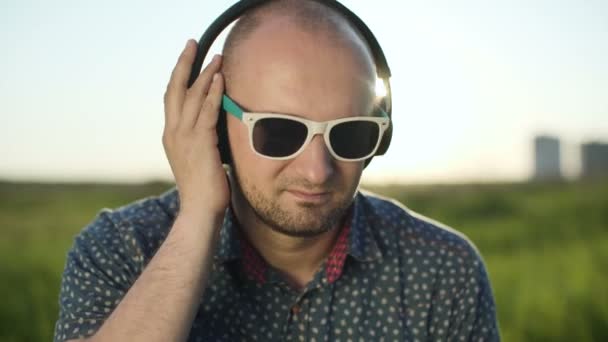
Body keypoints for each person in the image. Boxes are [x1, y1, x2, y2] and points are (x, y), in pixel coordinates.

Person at [54, 1, 500, 341]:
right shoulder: (119, 250)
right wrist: (198, 217)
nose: (317, 170)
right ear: (215, 127)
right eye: (279, 132)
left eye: (350, 134)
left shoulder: (444, 270)